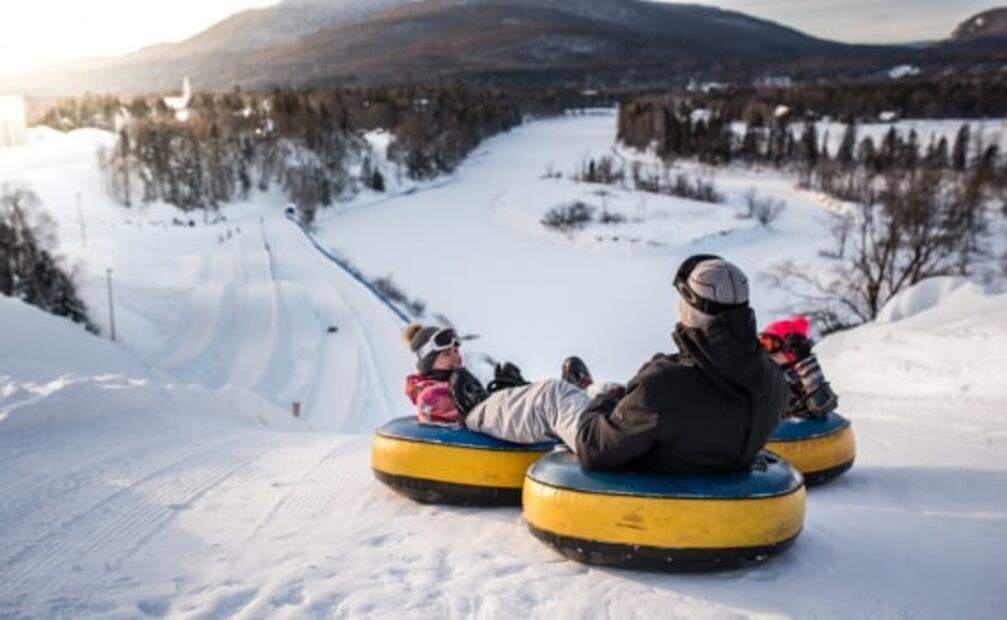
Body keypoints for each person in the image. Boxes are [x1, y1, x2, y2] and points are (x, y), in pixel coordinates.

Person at [572, 255, 791, 473]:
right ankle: (589, 390)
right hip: (712, 460)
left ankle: (581, 392)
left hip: (652, 475)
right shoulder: (773, 378)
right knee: (618, 396)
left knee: (550, 394)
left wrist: (604, 401)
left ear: (688, 305)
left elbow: (595, 449)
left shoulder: (661, 385)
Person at [402, 324, 596, 437]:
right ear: (428, 363)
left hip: (494, 419)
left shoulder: (454, 384)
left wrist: (507, 388)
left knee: (546, 393)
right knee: (548, 394)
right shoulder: (430, 394)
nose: (456, 358)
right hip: (485, 431)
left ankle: (579, 400)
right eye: (446, 354)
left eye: (456, 351)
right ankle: (579, 413)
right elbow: (471, 417)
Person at [757, 315, 838, 418]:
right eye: (761, 342)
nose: (765, 352)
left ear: (789, 349)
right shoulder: (766, 374)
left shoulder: (798, 377)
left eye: (769, 344)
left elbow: (823, 406)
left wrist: (805, 361)